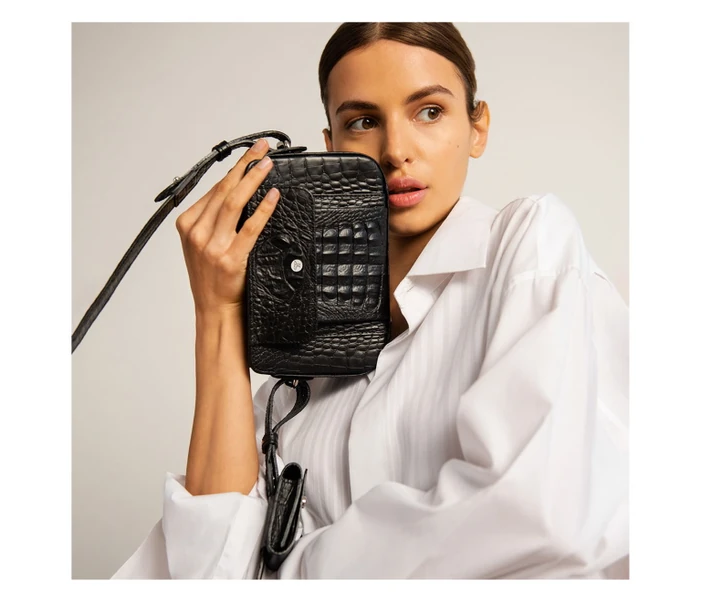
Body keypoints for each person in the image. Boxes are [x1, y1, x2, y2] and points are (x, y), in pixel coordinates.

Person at [112, 22, 629, 579]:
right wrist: (216, 313)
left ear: (477, 127)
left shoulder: (528, 246)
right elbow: (205, 571)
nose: (396, 152)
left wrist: (293, 570)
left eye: (429, 111)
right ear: (332, 145)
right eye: (363, 121)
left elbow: (534, 514)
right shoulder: (295, 386)